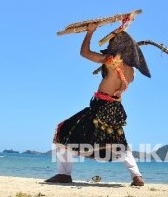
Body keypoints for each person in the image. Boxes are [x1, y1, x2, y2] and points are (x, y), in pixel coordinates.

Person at [45, 23, 151, 186]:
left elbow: (84, 53)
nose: (109, 45)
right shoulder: (131, 72)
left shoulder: (110, 61)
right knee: (119, 142)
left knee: (64, 129)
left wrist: (90, 32)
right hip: (115, 108)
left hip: (100, 106)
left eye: (111, 43)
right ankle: (137, 176)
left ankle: (64, 174)